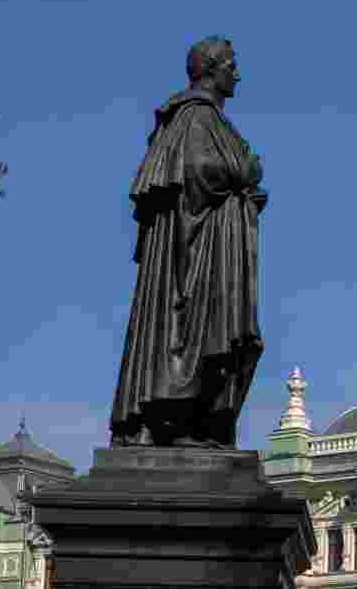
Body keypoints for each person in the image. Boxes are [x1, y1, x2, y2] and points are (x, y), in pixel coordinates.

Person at [110, 36, 266, 449]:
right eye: (231, 64)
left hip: (211, 245)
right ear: (212, 68)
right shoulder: (194, 117)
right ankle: (178, 421)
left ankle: (197, 422)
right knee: (193, 329)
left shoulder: (205, 119)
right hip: (194, 255)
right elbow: (198, 172)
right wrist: (244, 169)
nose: (238, 73)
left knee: (215, 333)